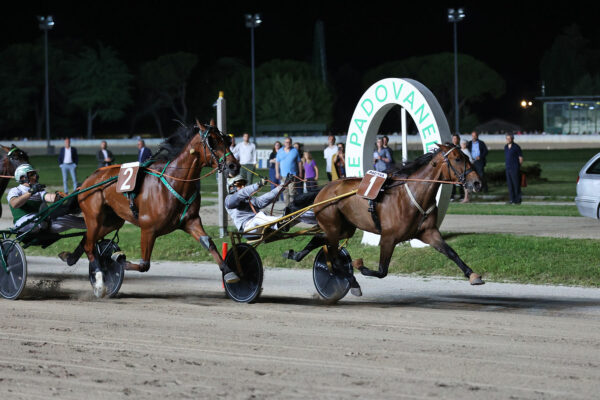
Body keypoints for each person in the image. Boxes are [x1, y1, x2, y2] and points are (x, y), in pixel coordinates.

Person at [8, 164, 86, 234]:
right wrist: (31, 192)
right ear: (22, 178)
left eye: (35, 174)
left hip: (43, 222)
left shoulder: (38, 190)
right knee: (46, 216)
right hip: (24, 224)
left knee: (66, 219)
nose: (35, 176)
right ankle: (44, 220)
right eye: (31, 175)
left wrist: (58, 197)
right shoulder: (15, 190)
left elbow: (49, 197)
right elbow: (14, 204)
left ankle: (93, 223)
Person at [275, 137, 302, 205]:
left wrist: (300, 172)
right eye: (286, 142)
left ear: (291, 143)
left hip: (292, 174)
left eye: (289, 142)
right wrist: (277, 173)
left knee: (292, 191)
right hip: (283, 175)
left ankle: (293, 206)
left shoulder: (295, 151)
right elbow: (277, 163)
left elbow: (299, 162)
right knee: (285, 192)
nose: (288, 143)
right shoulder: (280, 151)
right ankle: (287, 207)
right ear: (284, 143)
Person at [504, 133, 523, 204]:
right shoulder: (505, 147)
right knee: (510, 185)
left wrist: (517, 167)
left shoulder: (516, 147)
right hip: (508, 168)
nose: (508, 140)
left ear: (512, 139)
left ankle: (518, 199)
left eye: (509, 138)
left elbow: (520, 158)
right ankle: (511, 199)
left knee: (516, 184)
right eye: (507, 138)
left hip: (514, 168)